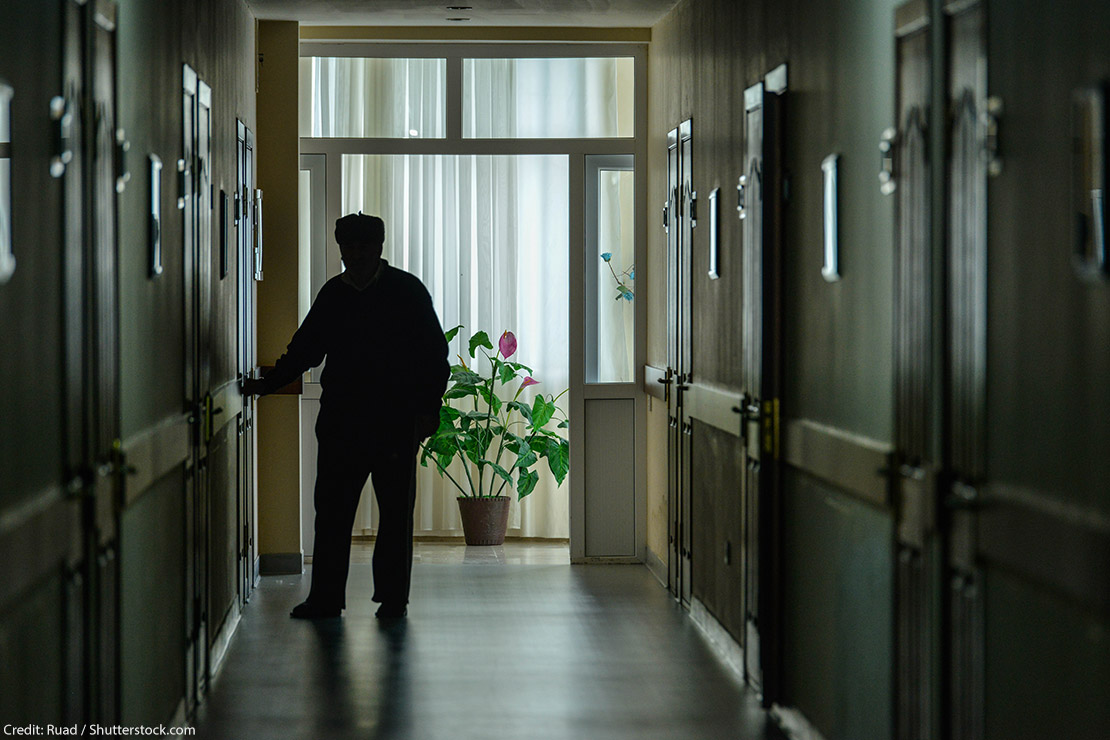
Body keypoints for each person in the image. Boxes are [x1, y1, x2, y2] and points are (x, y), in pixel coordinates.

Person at [243, 213, 449, 620]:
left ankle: (393, 599)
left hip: (394, 422)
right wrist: (266, 385)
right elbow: (305, 350)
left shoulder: (407, 292)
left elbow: (434, 357)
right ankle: (325, 598)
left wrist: (429, 410)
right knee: (332, 514)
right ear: (340, 249)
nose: (354, 254)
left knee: (394, 516)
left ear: (379, 247)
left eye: (362, 246)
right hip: (342, 424)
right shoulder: (332, 295)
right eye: (347, 247)